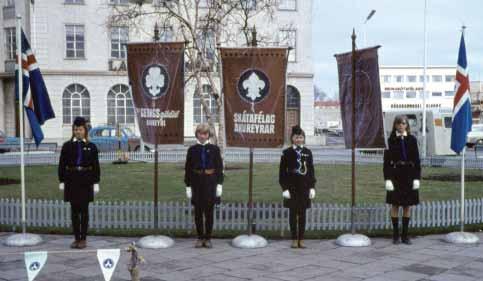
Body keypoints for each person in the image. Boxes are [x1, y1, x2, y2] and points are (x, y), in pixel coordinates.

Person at [58, 117, 100, 249]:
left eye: (80, 129)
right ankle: (76, 238)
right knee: (74, 211)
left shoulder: (91, 147)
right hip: (72, 180)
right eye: (75, 129)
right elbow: (62, 165)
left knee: (84, 210)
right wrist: (62, 181)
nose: (78, 132)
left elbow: (96, 166)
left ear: (85, 130)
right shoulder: (67, 146)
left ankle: (83, 239)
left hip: (86, 180)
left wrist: (96, 182)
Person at [184, 123, 223, 248]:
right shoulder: (192, 150)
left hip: (210, 182)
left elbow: (219, 167)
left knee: (209, 211)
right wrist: (188, 186)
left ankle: (208, 238)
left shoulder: (215, 149)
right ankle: (200, 237)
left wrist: (219, 185)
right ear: (197, 134)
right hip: (197, 182)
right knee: (198, 211)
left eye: (205, 133)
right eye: (200, 133)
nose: (202, 136)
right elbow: (188, 168)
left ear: (208, 135)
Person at [383, 115, 421, 245]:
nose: (401, 126)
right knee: (395, 205)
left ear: (407, 125)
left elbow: (417, 160)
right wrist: (387, 179)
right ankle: (395, 235)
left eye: (404, 123)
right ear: (395, 125)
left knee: (407, 206)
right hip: (395, 175)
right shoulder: (390, 141)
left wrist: (417, 178)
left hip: (409, 175)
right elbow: (386, 162)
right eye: (398, 123)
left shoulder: (412, 140)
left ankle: (405, 235)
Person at [279, 125, 316, 248]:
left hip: (304, 188)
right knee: (292, 214)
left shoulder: (308, 152)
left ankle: (301, 239)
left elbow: (311, 171)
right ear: (292, 138)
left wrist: (312, 187)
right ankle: (294, 238)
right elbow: (282, 173)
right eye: (296, 137)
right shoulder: (286, 153)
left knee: (303, 214)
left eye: (301, 137)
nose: (299, 139)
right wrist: (284, 189)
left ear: (303, 138)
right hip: (291, 188)